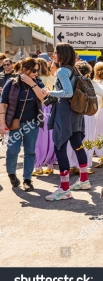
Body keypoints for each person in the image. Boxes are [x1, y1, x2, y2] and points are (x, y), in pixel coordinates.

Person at [43, 42, 90, 200]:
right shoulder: (73, 69)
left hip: (64, 113)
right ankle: (84, 179)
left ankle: (64, 189)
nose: (53, 55)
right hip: (75, 112)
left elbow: (68, 93)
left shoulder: (62, 70)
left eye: (55, 52)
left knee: (59, 146)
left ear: (62, 54)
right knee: (77, 145)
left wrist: (50, 92)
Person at [0, 57, 47, 191]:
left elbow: (43, 97)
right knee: (12, 150)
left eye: (38, 70)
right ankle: (12, 174)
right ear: (24, 69)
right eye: (34, 70)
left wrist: (32, 83)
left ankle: (27, 179)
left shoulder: (37, 82)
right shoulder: (12, 83)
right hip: (15, 123)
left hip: (32, 123)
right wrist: (2, 123)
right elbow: (3, 104)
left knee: (30, 151)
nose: (36, 73)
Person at [68, 61, 103, 175]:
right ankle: (84, 165)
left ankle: (72, 164)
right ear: (88, 72)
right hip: (88, 114)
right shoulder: (89, 83)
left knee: (74, 140)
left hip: (74, 113)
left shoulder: (72, 82)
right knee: (88, 139)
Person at [31, 58, 57, 176]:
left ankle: (38, 167)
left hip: (40, 109)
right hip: (51, 109)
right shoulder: (53, 78)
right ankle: (50, 165)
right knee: (50, 137)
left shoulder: (36, 80)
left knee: (39, 138)